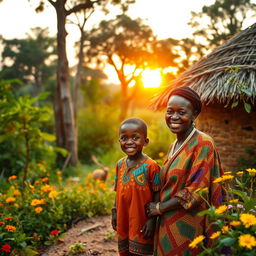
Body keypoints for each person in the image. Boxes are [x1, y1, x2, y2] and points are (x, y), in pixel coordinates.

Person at [145, 86, 225, 256]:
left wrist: (159, 208)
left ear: (194, 115)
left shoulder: (203, 143)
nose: (174, 117)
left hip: (188, 225)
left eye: (181, 112)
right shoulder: (173, 146)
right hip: (166, 223)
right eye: (169, 111)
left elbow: (197, 190)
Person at [112, 118, 161, 256]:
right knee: (125, 250)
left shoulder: (151, 166)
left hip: (142, 220)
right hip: (123, 218)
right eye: (124, 138)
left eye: (135, 137)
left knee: (140, 252)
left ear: (145, 141)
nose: (129, 142)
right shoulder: (120, 165)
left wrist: (152, 220)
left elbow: (157, 193)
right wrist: (114, 211)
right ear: (119, 141)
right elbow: (118, 191)